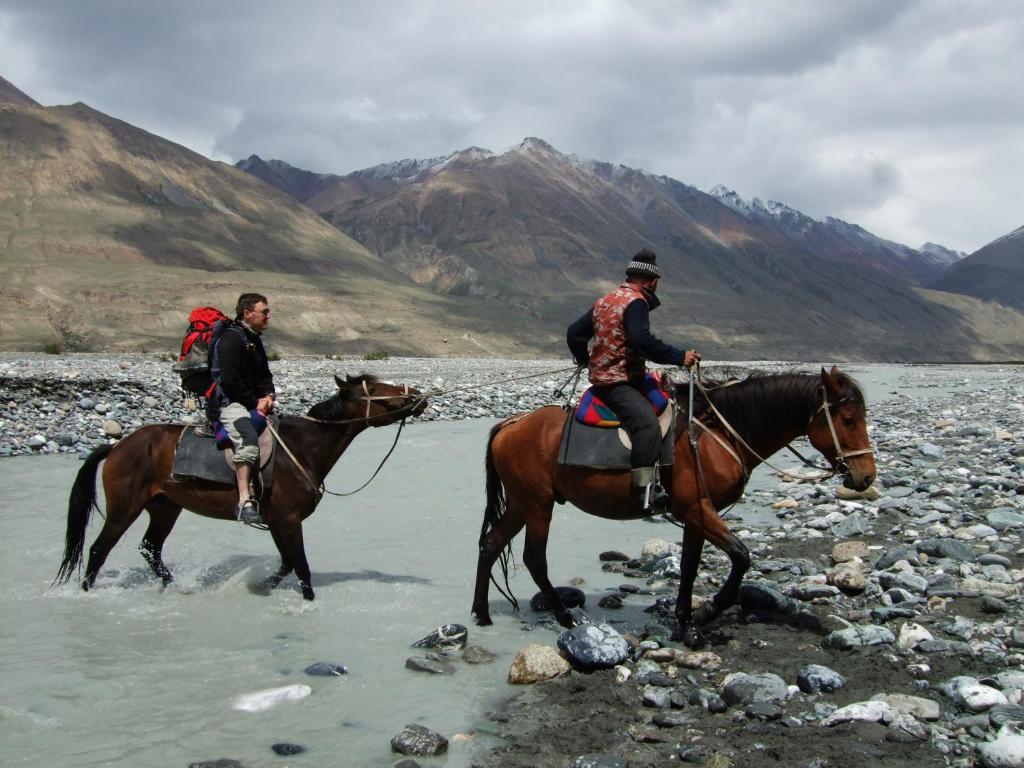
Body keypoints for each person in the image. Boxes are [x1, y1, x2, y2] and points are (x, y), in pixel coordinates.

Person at [566, 249, 700, 515]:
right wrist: (679, 357)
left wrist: (585, 359)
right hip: (618, 384)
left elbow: (574, 333)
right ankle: (644, 494)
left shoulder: (604, 301)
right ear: (652, 281)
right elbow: (643, 341)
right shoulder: (636, 302)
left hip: (610, 379)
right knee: (647, 425)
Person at [208, 292, 276, 524]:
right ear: (247, 313)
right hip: (229, 403)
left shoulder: (253, 339)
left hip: (252, 400)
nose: (268, 316)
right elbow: (229, 380)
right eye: (264, 312)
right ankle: (244, 501)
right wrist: (253, 402)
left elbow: (265, 373)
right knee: (247, 437)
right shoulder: (231, 339)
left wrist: (268, 395)